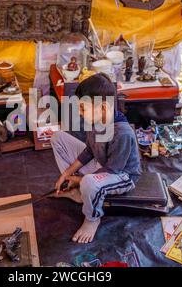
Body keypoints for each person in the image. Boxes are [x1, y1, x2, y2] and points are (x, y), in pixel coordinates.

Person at [50, 73, 141, 243]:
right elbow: (89, 151)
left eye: (83, 108)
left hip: (121, 175)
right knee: (58, 138)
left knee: (89, 182)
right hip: (102, 165)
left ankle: (92, 218)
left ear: (104, 108)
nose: (80, 112)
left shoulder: (123, 133)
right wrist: (67, 173)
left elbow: (112, 170)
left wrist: (79, 179)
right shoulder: (97, 123)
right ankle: (77, 192)